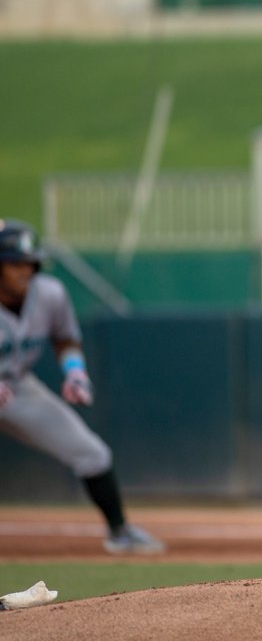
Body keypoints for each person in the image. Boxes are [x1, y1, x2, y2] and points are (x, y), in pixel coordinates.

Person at [0, 219, 165, 554]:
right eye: (16, 264)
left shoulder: (48, 293)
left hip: (15, 388)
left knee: (92, 452)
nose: (25, 272)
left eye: (31, 264)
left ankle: (120, 532)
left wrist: (75, 371)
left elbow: (65, 338)